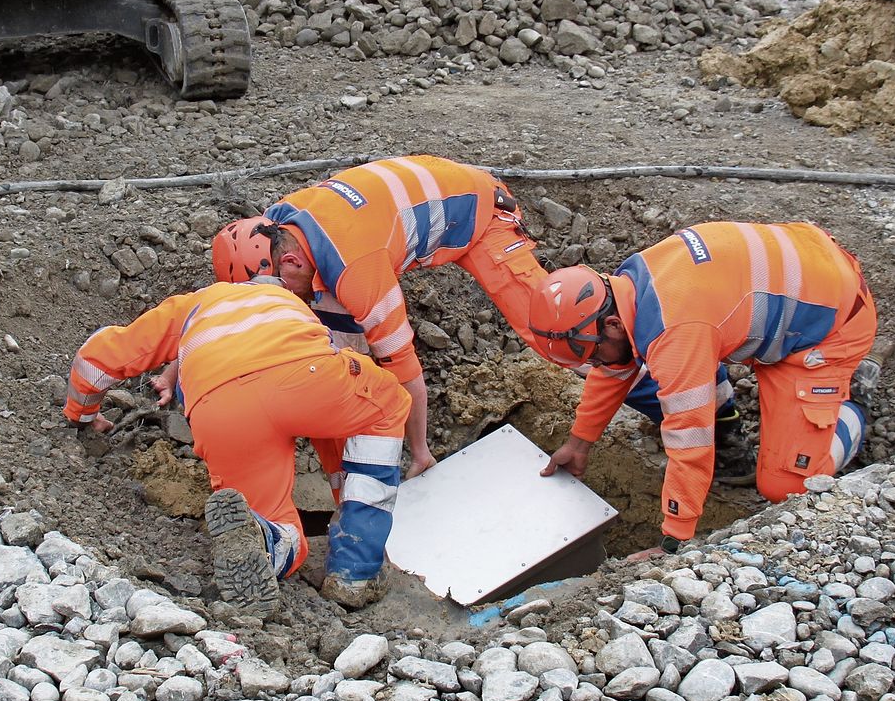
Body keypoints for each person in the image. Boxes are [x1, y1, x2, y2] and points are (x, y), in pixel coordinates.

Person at [63, 279, 409, 612]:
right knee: (386, 405)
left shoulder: (190, 308)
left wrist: (82, 413)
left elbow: (99, 357)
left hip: (218, 407)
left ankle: (266, 538)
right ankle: (355, 569)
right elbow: (338, 423)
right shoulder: (288, 303)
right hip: (305, 375)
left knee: (268, 518)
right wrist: (343, 495)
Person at [527, 222, 879, 549]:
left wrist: (676, 536)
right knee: (684, 367)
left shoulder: (677, 332)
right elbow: (616, 369)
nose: (596, 365)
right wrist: (579, 443)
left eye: (593, 354)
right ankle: (741, 431)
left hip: (829, 326)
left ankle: (853, 404)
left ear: (614, 325)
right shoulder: (629, 286)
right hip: (804, 267)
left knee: (787, 487)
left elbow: (690, 439)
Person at [211, 156, 545, 477]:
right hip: (412, 188)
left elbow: (404, 367)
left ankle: (594, 372)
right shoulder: (273, 226)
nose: (286, 300)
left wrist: (419, 452)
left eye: (282, 291)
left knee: (548, 326)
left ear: (291, 263)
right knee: (338, 348)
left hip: (478, 208)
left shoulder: (359, 274)